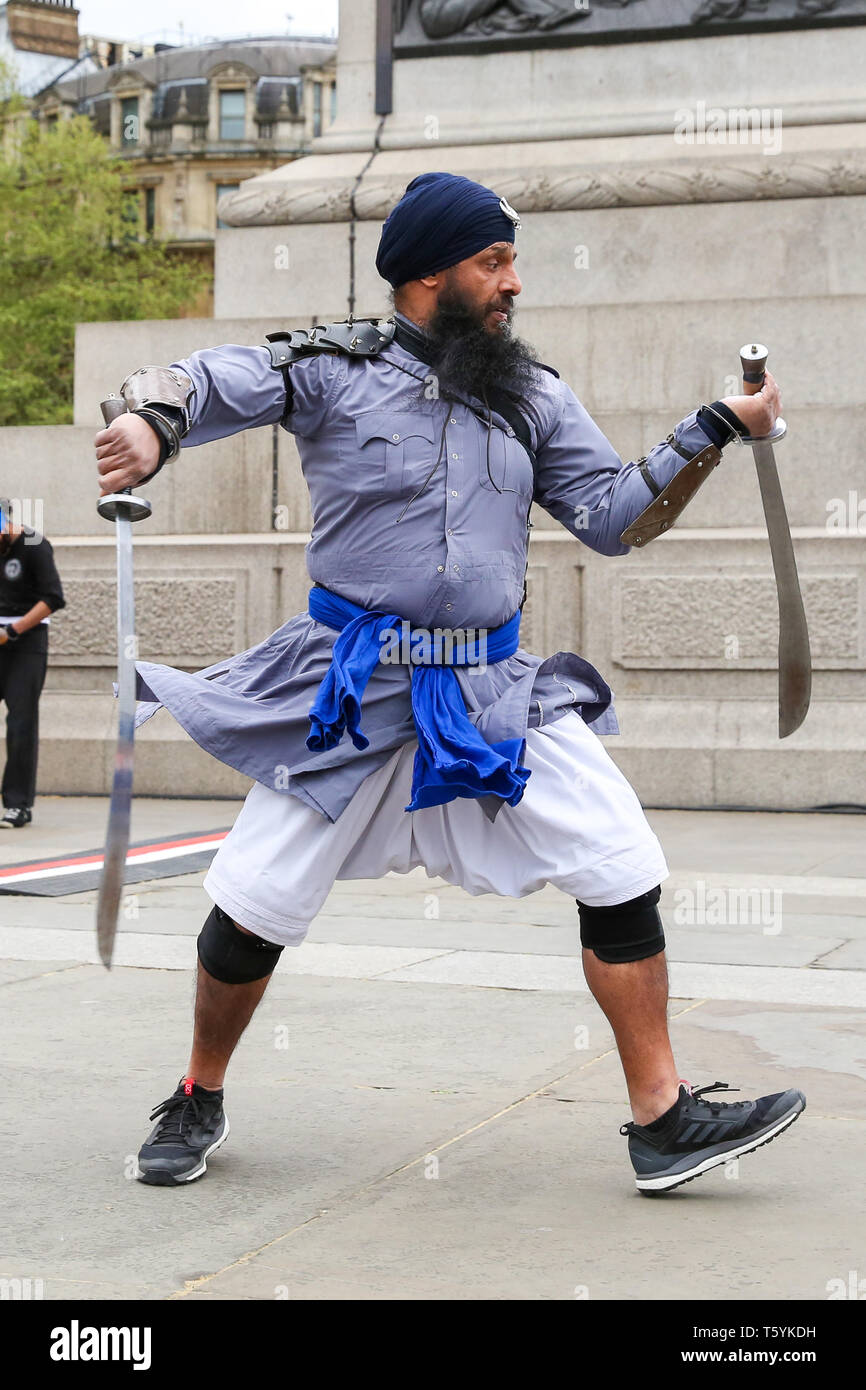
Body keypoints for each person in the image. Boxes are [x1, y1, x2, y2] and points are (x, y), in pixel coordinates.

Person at [95, 172, 804, 1194]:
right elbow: (204, 378)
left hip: (489, 692)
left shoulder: (532, 396)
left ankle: (661, 1117)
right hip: (350, 692)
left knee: (617, 858)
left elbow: (611, 520)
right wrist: (154, 425)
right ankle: (198, 1089)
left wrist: (711, 430)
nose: (513, 282)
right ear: (429, 270)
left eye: (511, 259)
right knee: (252, 904)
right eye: (494, 260)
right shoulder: (328, 367)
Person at [0, 500, 66, 829]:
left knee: (21, 724)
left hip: (25, 643)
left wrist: (11, 630)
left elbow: (53, 598)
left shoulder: (34, 546)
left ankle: (17, 805)